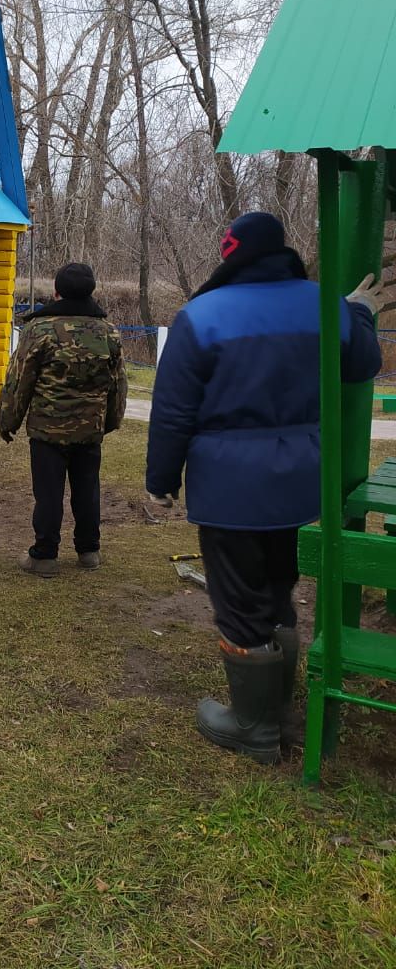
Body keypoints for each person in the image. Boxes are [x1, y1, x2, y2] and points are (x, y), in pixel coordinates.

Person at [145, 211, 382, 764]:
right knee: (279, 585)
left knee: (236, 597)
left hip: (228, 489)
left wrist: (161, 481)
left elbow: (173, 411)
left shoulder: (200, 316)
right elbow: (363, 363)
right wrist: (360, 315)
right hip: (300, 482)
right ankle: (278, 705)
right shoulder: (325, 306)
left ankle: (253, 727)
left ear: (232, 256)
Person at [0, 262, 127, 577]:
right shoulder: (108, 332)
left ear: (56, 291)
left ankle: (44, 555)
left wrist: (7, 420)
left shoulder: (39, 330)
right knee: (87, 490)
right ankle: (88, 551)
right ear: (91, 290)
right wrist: (110, 421)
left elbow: (19, 381)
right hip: (89, 430)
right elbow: (118, 384)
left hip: (48, 431)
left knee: (49, 493)